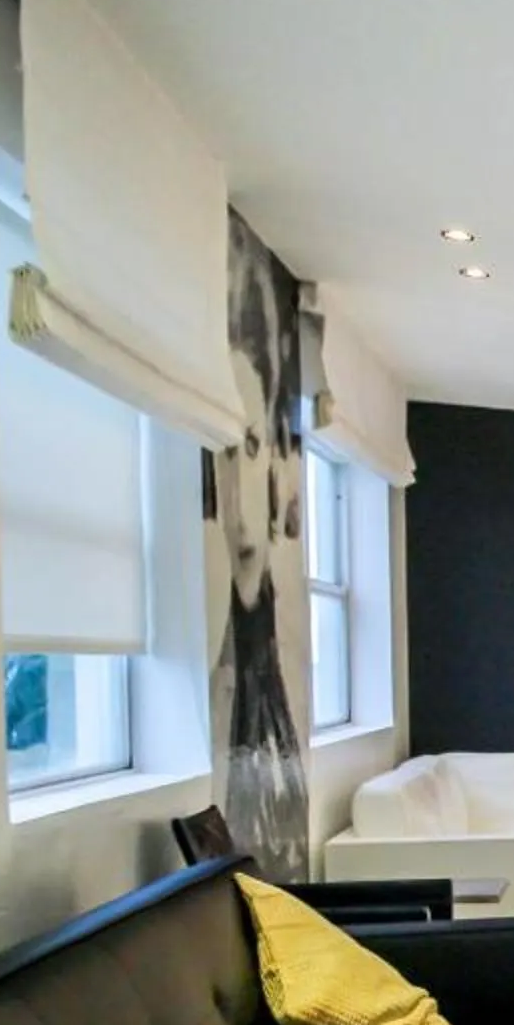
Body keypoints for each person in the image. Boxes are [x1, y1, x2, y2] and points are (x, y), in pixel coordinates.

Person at [211, 221, 310, 879]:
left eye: (252, 446)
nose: (240, 479)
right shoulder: (219, 679)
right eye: (227, 449)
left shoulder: (284, 660)